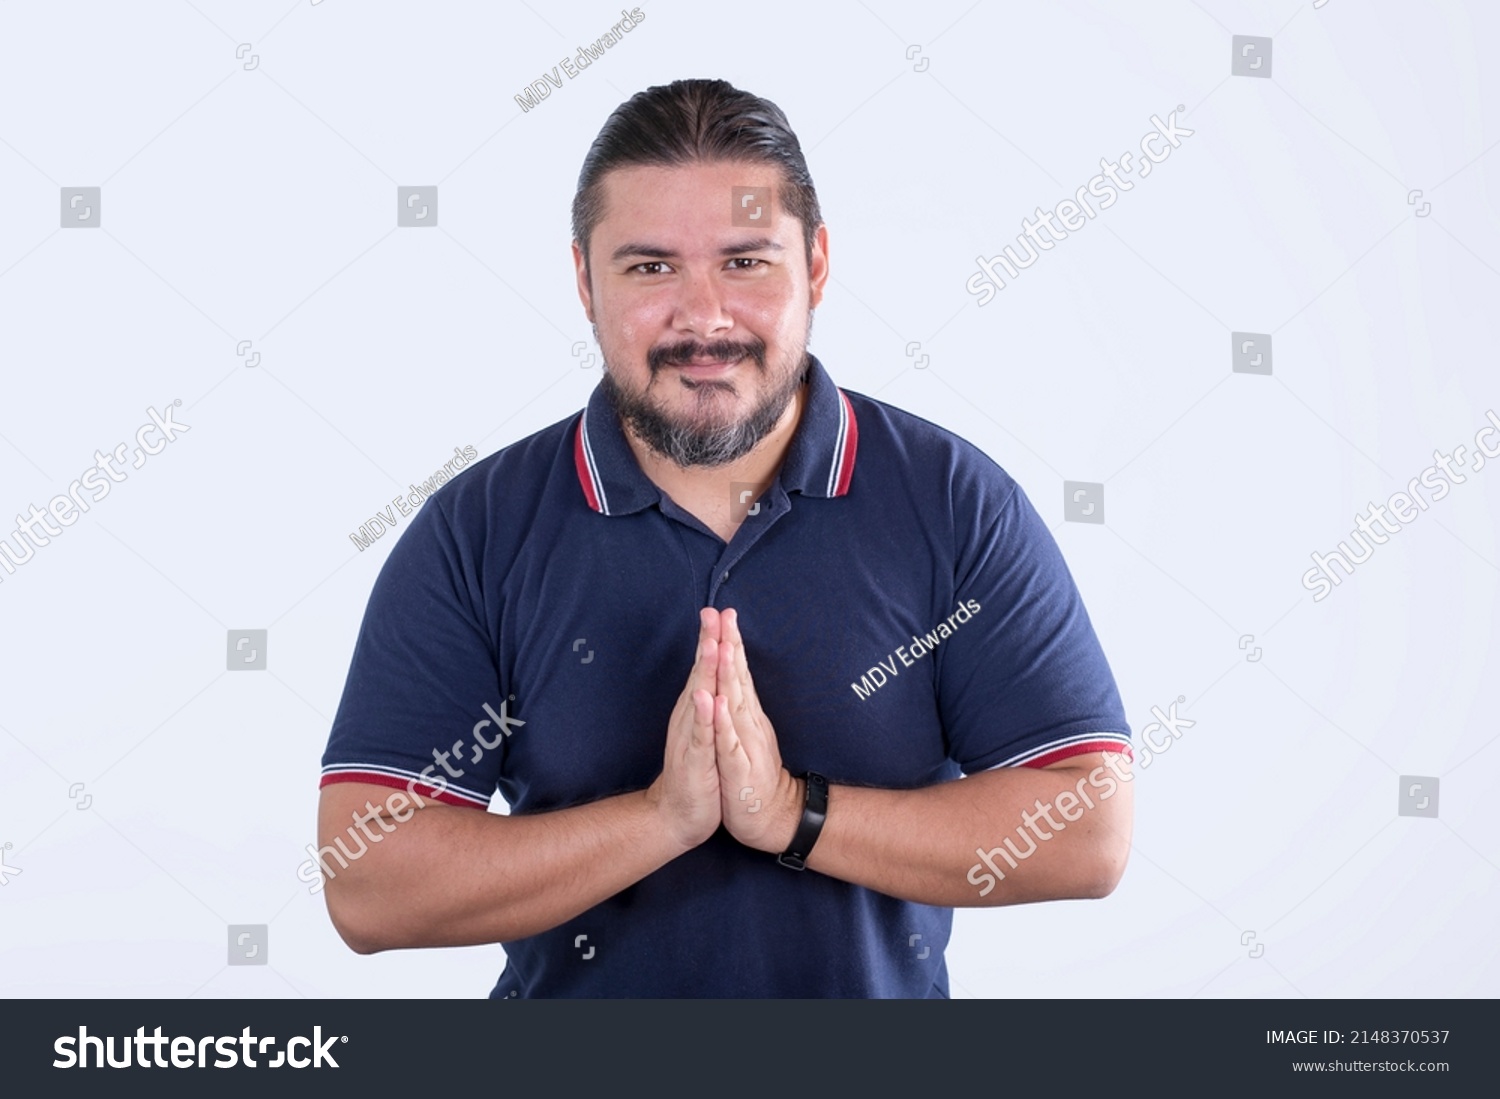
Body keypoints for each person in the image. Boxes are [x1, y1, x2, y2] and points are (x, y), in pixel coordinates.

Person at [315, 78, 1134, 998]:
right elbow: (367, 884)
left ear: (816, 265)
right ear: (585, 281)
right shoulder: (477, 530)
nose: (704, 318)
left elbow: (1089, 829)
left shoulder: (953, 502)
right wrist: (663, 818)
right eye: (651, 267)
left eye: (745, 262)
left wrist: (794, 814)